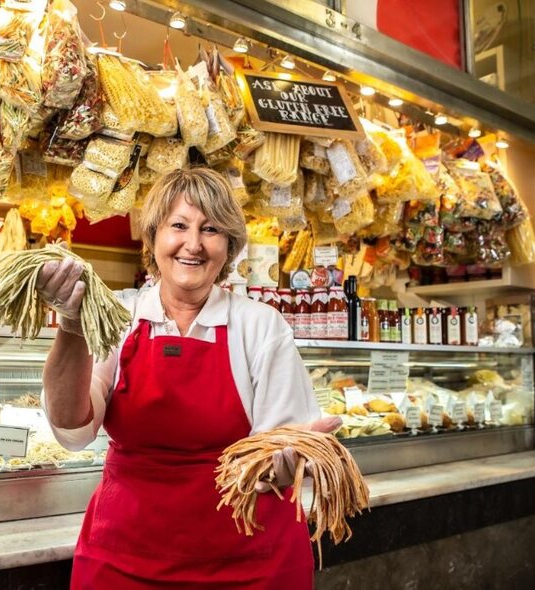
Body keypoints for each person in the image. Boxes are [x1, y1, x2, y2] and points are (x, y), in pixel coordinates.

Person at [39, 168, 342, 589]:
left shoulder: (260, 326)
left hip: (248, 564)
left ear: (229, 246)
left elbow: (282, 447)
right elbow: (73, 428)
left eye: (211, 229)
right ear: (154, 236)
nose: (193, 244)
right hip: (126, 560)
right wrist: (72, 326)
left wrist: (291, 461)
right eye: (178, 226)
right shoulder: (119, 317)